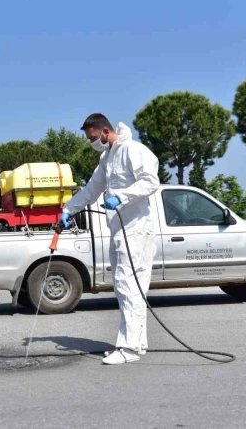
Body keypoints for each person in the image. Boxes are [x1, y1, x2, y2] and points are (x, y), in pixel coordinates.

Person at [61, 113, 160, 365]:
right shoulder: (108, 158)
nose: (92, 142)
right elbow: (92, 189)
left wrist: (122, 197)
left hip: (136, 229)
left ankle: (128, 348)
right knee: (126, 287)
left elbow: (151, 181)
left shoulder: (133, 150)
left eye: (94, 138)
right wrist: (68, 209)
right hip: (119, 230)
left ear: (105, 131)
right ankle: (138, 343)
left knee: (129, 286)